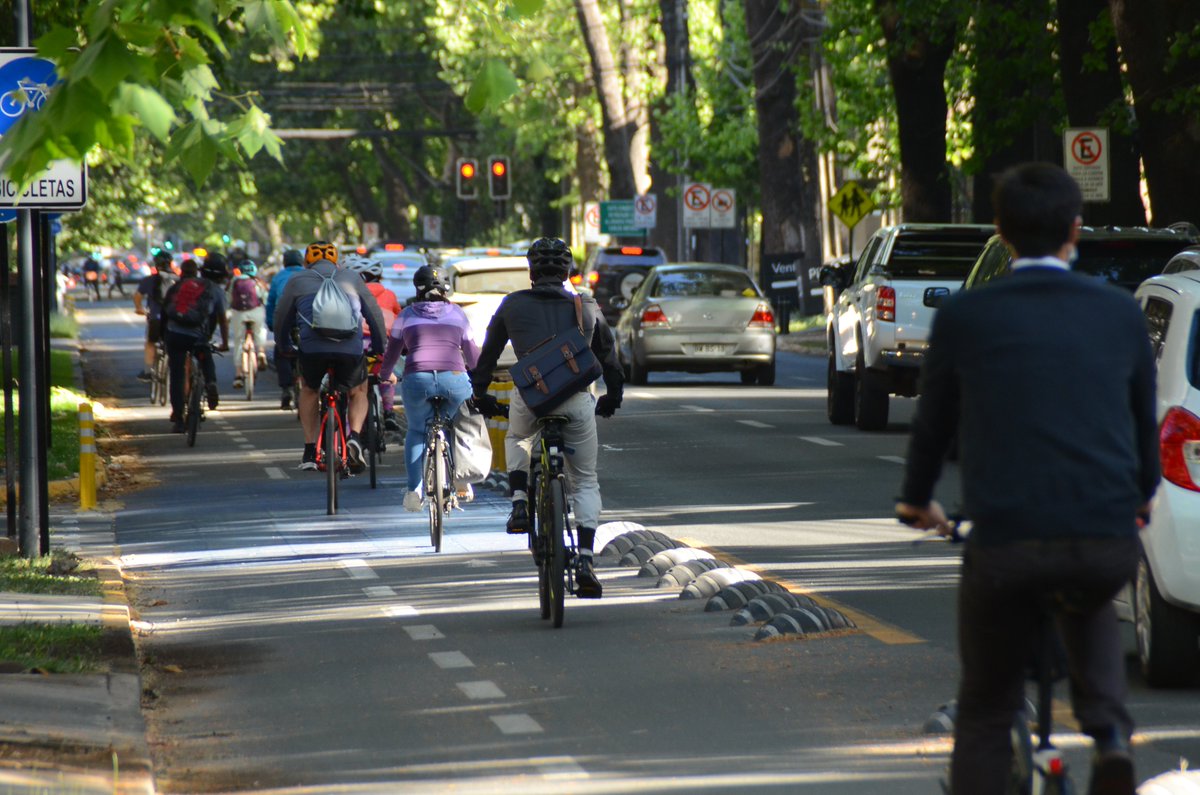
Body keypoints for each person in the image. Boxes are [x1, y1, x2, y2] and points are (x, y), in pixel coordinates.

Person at [895, 163, 1158, 795]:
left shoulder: (965, 317)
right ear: (1076, 230)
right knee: (1090, 595)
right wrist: (1140, 499)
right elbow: (1141, 425)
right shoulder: (1120, 314)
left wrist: (915, 500)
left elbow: (933, 425)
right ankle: (1111, 738)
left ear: (1000, 232)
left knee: (986, 705)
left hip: (1006, 540)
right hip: (1100, 537)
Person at [471, 237, 624, 599]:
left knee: (517, 438)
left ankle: (520, 502)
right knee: (585, 481)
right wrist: (612, 398)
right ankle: (586, 559)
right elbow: (609, 357)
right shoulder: (585, 304)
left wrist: (480, 395)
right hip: (576, 401)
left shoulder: (512, 304)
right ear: (568, 271)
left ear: (531, 271)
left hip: (531, 398)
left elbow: (487, 357)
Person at [273, 241, 387, 472]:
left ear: (307, 261)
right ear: (336, 260)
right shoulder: (352, 278)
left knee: (309, 389)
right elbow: (373, 314)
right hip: (349, 348)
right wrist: (378, 346)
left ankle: (309, 449)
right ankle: (354, 436)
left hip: (313, 349)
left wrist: (283, 345)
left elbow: (281, 316)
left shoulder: (297, 280)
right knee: (358, 391)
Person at [378, 264, 479, 512]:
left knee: (416, 432)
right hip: (454, 379)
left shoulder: (406, 315)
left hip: (417, 379)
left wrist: (385, 375)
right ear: (446, 289)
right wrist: (478, 378)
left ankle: (414, 491)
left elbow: (391, 352)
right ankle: (462, 480)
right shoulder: (457, 314)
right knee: (459, 426)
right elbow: (473, 356)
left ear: (417, 288)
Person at [161, 253, 231, 433]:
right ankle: (211, 383)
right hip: (197, 337)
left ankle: (178, 418)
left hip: (174, 335)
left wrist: (163, 338)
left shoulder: (179, 285)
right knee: (205, 356)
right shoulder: (215, 290)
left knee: (177, 376)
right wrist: (224, 343)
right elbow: (222, 319)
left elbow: (165, 312)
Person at [345, 253, 404, 431]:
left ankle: (349, 428)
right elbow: (399, 317)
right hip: (382, 345)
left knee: (353, 386)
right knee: (386, 375)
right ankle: (388, 412)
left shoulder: (350, 294)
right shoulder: (390, 294)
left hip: (355, 345)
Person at [266, 248, 304, 410]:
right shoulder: (308, 275)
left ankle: (286, 388)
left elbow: (271, 303)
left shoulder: (278, 277)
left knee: (281, 352)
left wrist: (271, 324)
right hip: (305, 319)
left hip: (284, 318)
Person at [133, 250, 178, 381]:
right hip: (174, 319)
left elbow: (137, 296)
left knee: (150, 342)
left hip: (156, 318)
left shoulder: (149, 280)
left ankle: (148, 372)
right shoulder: (178, 280)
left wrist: (139, 308)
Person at [227, 260, 268, 388]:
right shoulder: (258, 282)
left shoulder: (234, 281)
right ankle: (261, 351)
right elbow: (265, 298)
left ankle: (238, 375)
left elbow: (228, 298)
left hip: (239, 313)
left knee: (239, 341)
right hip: (255, 312)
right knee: (260, 330)